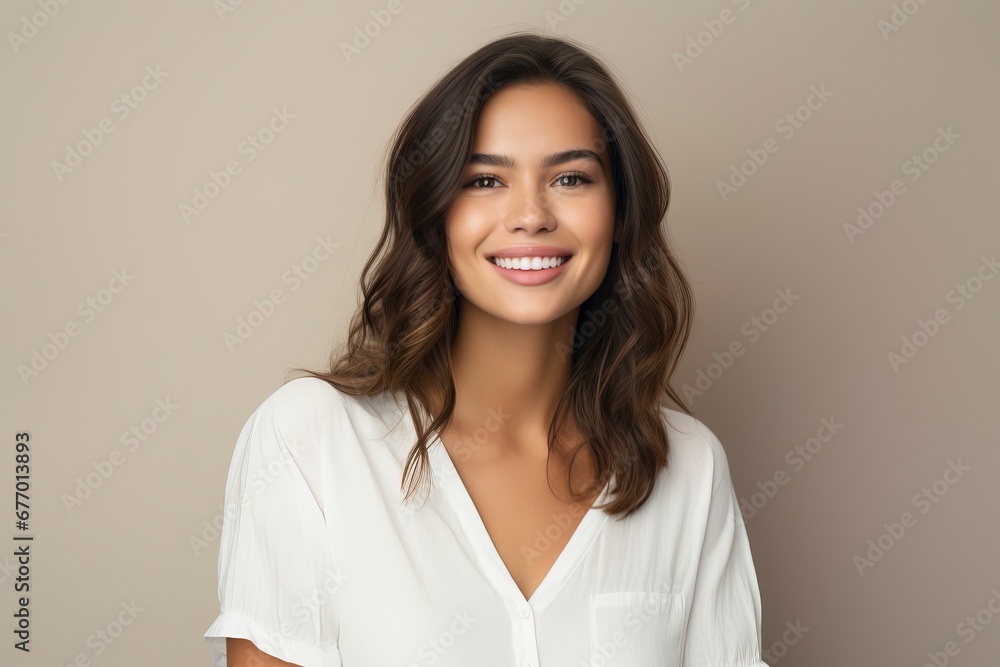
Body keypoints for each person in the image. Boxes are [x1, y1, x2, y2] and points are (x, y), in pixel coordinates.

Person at [204, 31, 769, 667]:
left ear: (620, 213)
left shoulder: (688, 468)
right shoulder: (311, 441)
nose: (531, 215)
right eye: (484, 181)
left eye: (571, 177)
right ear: (435, 213)